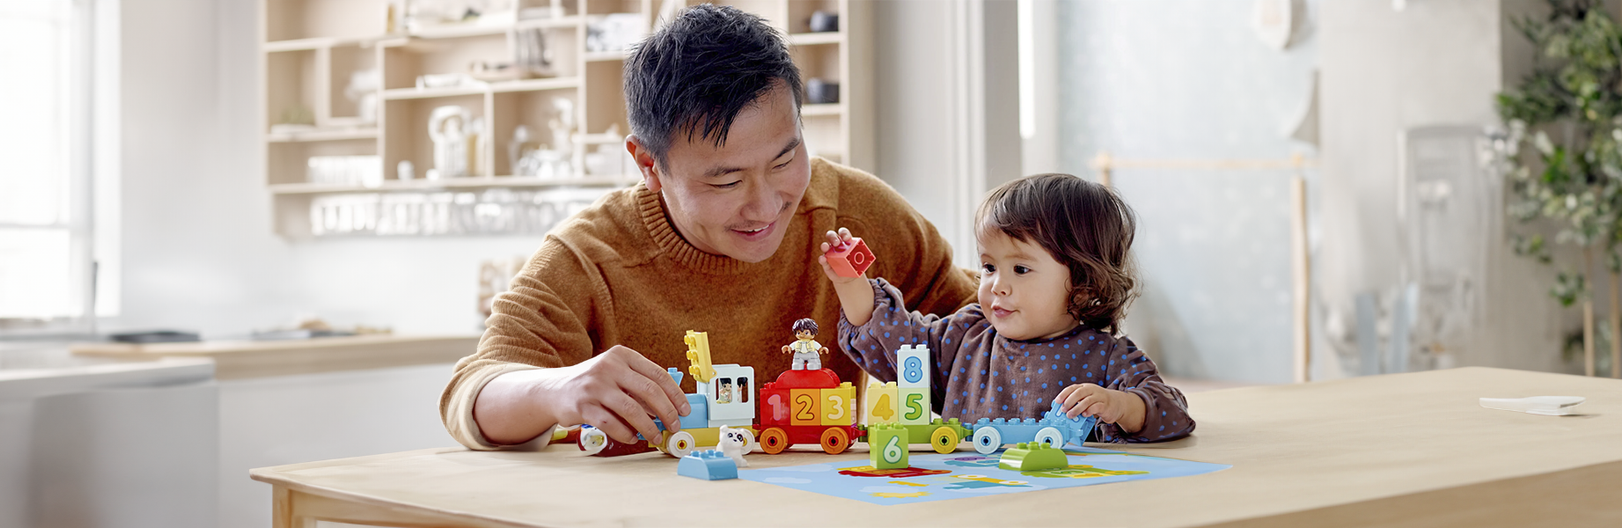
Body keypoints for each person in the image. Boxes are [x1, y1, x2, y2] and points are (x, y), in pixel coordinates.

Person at [441, 4, 976, 451]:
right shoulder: (591, 256)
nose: (765, 206)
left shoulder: (854, 213)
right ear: (648, 164)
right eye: (726, 181)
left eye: (785, 160)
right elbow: (474, 393)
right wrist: (556, 389)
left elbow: (987, 335)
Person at [823, 174, 1196, 443]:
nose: (996, 284)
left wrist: (1120, 406)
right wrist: (850, 282)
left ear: (1084, 286)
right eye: (989, 266)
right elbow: (893, 341)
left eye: (1020, 269)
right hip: (969, 499)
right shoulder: (965, 337)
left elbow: (1172, 414)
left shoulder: (1107, 357)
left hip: (1065, 505)